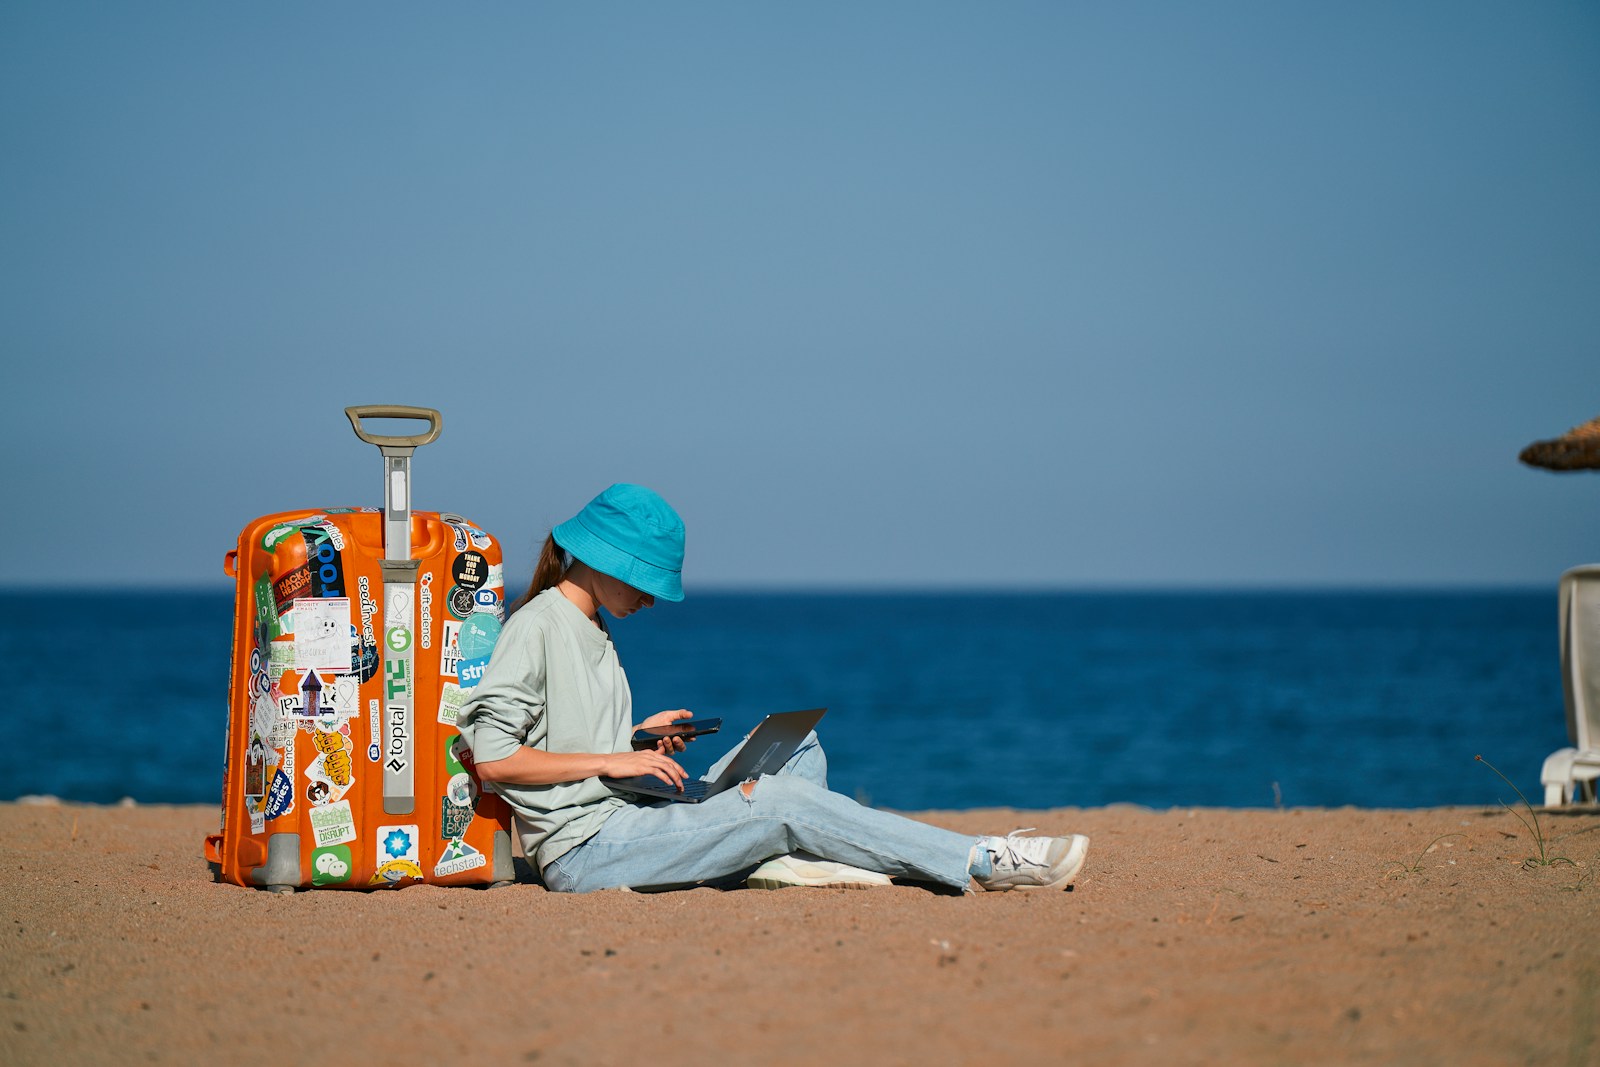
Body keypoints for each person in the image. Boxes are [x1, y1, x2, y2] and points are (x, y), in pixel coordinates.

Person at [456, 483, 1090, 894]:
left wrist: (637, 737)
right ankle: (981, 860)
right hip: (587, 849)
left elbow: (558, 734)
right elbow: (496, 757)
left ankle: (769, 860)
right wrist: (612, 758)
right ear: (601, 561)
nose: (650, 598)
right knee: (782, 803)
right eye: (644, 581)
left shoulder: (589, 623)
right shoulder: (538, 625)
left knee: (797, 746)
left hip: (630, 808)